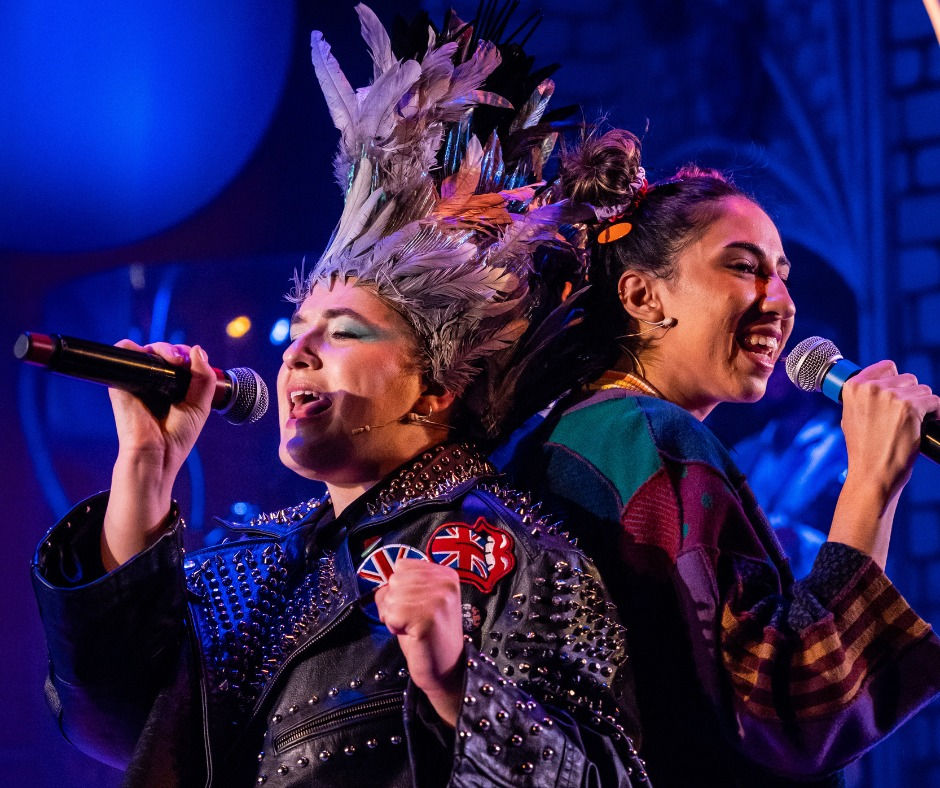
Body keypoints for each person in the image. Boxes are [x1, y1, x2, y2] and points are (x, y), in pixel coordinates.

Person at [30, 12, 648, 787]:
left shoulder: (521, 555)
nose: (298, 350)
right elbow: (110, 723)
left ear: (435, 387)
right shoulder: (243, 565)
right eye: (300, 329)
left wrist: (457, 685)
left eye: (346, 331)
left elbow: (610, 777)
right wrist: (145, 468)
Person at [504, 128, 940, 787]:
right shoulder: (645, 437)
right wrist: (871, 482)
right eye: (744, 267)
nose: (783, 303)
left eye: (783, 276)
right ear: (643, 297)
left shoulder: (581, 432)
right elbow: (787, 708)